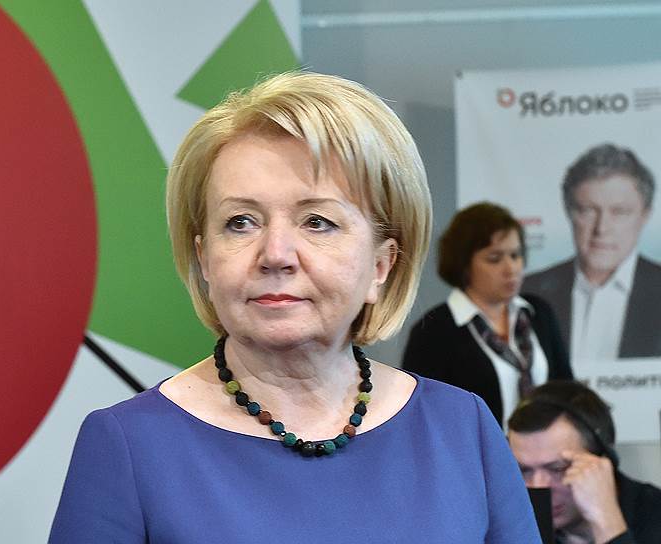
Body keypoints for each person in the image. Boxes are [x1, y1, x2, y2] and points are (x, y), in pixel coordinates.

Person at [49, 72, 541, 542]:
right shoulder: (128, 446)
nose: (276, 254)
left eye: (317, 222)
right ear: (204, 259)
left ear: (381, 264)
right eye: (241, 222)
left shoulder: (463, 429)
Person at [402, 202, 573, 426]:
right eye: (495, 258)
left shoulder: (537, 312)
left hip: (546, 447)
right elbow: (421, 414)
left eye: (515, 255)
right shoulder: (434, 330)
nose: (511, 269)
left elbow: (568, 391)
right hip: (473, 448)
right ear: (464, 265)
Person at [522, 143, 661, 360]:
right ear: (569, 212)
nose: (602, 228)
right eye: (587, 210)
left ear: (645, 216)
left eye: (619, 212)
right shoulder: (529, 292)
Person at [508, 381, 661, 543]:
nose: (538, 485)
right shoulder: (507, 526)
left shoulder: (654, 514)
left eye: (558, 468)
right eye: (523, 470)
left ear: (605, 460)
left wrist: (606, 522)